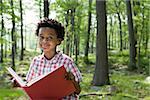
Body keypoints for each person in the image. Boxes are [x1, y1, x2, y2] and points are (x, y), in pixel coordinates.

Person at [26, 18, 82, 99]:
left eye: (49, 38)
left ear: (58, 41)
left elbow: (78, 91)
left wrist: (72, 80)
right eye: (41, 37)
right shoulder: (36, 62)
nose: (44, 41)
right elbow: (29, 86)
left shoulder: (66, 62)